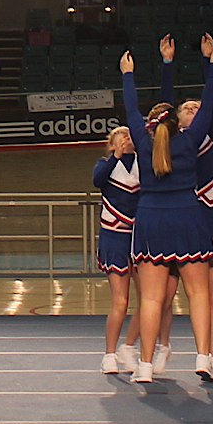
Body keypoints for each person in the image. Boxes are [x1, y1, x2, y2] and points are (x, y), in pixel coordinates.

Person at [118, 39, 213, 383]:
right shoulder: (190, 139)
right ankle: (203, 358)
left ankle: (146, 365)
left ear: (151, 126)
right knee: (199, 294)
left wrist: (128, 75)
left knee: (151, 298)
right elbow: (209, 104)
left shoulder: (145, 140)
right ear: (177, 123)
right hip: (188, 217)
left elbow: (131, 108)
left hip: (151, 220)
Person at [92, 125, 139, 375]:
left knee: (152, 300)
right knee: (121, 301)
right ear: (111, 144)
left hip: (140, 237)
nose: (126, 137)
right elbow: (98, 181)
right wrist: (116, 157)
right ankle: (109, 354)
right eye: (121, 135)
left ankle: (129, 347)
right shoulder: (105, 164)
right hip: (115, 237)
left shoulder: (145, 163)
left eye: (130, 134)